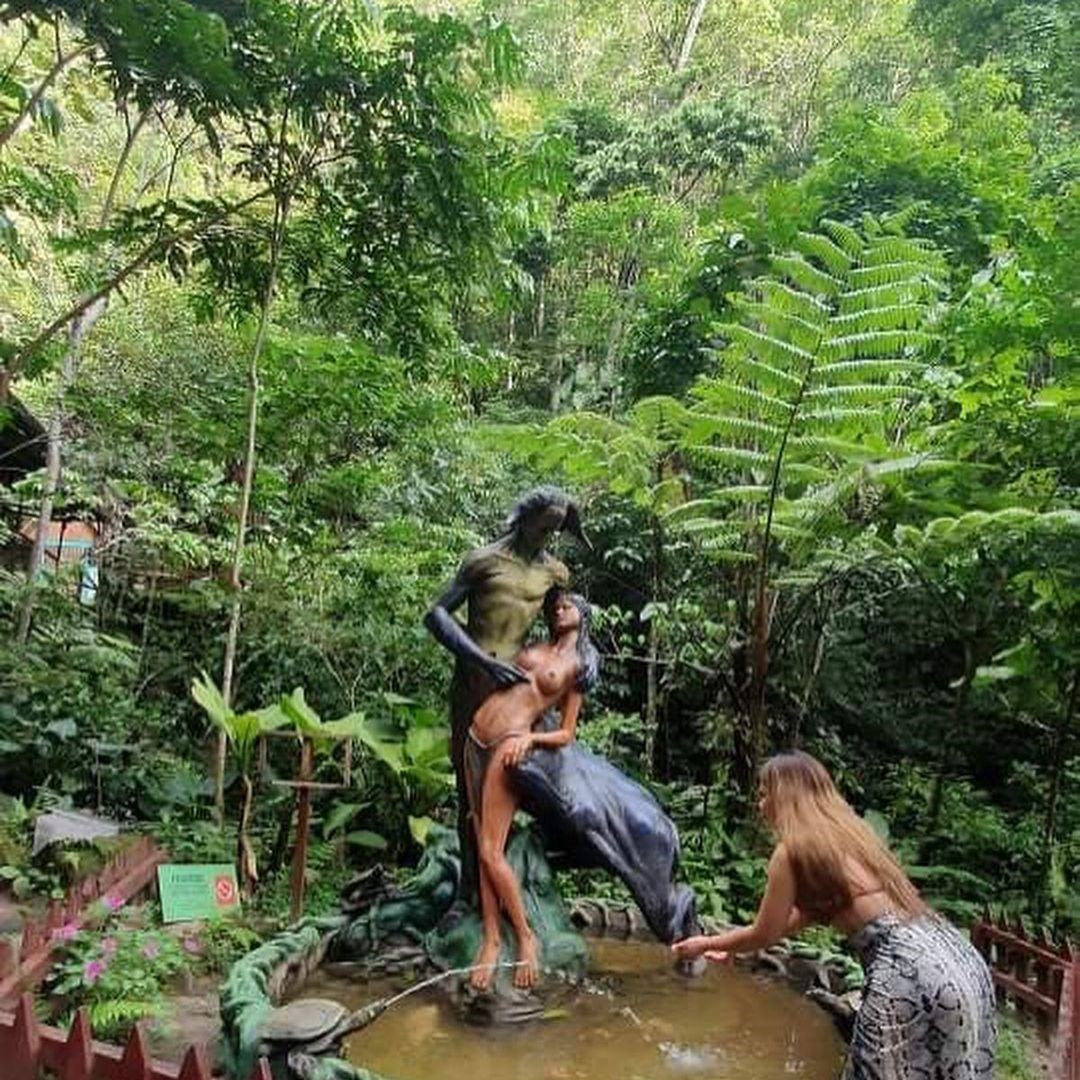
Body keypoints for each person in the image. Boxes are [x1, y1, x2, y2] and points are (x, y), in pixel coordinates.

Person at [672, 751, 995, 1079]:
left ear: (785, 796)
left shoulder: (791, 852)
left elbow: (764, 934)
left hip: (907, 970)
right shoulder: (852, 835)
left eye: (764, 794)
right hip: (954, 954)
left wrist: (700, 944)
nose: (760, 804)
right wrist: (728, 946)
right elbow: (799, 918)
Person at [465, 587, 599, 991]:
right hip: (475, 737)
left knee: (492, 849)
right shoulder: (536, 647)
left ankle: (525, 935)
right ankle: (490, 938)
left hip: (510, 744)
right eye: (556, 606)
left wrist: (532, 740)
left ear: (584, 614)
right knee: (480, 842)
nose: (560, 609)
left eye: (568, 605)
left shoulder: (578, 666)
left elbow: (566, 733)